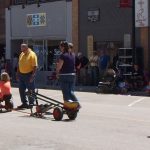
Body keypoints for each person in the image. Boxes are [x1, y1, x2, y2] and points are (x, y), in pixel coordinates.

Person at [56, 41, 80, 108]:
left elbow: (59, 66)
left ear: (63, 47)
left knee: (66, 92)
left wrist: (57, 73)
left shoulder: (63, 55)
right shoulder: (72, 54)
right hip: (72, 75)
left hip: (64, 75)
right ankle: (76, 104)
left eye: (60, 47)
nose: (60, 48)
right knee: (71, 91)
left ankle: (68, 105)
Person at [17, 43, 38, 109]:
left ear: (27, 48)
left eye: (23, 49)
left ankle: (31, 103)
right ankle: (24, 103)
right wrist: (17, 74)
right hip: (21, 75)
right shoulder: (22, 54)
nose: (22, 51)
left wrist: (33, 76)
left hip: (29, 74)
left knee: (30, 90)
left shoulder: (32, 54)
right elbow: (19, 64)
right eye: (21, 49)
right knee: (21, 90)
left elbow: (35, 66)